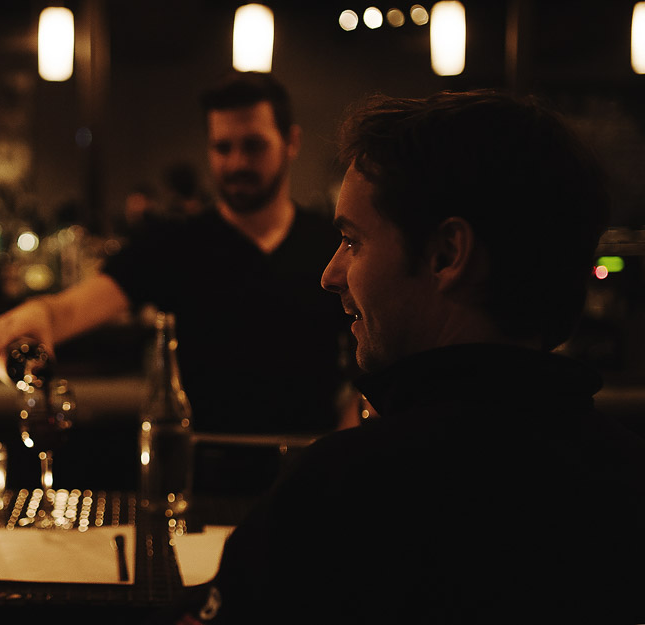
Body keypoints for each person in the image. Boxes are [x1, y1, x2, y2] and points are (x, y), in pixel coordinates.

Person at [164, 91, 645, 623]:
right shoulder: (627, 480)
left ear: (446, 255)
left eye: (353, 242)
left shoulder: (342, 493)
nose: (330, 274)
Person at [0, 71, 352, 435]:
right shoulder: (175, 244)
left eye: (254, 146)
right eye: (223, 148)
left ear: (291, 142)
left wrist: (343, 446)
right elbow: (75, 308)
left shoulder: (332, 245)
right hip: (202, 463)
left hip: (308, 461)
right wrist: (40, 314)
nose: (237, 163)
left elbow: (371, 367)